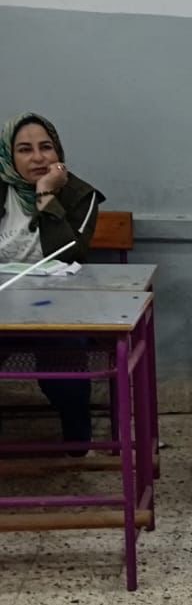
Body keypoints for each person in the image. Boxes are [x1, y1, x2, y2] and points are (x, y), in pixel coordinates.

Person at [0, 113, 103, 451]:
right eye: (24, 149)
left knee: (64, 370)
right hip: (3, 305)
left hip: (59, 306)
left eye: (46, 147)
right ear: (8, 155)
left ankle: (77, 440)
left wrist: (46, 195)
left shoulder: (79, 194)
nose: (38, 158)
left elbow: (71, 253)